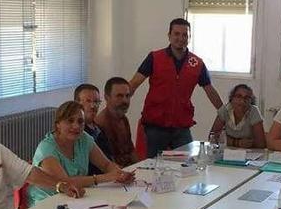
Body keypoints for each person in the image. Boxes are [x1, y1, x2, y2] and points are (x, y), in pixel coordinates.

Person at [129, 18, 224, 158]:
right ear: (169, 35)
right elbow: (134, 83)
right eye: (176, 34)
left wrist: (224, 113)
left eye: (185, 35)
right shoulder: (155, 58)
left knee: (188, 164)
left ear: (189, 37)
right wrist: (120, 102)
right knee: (152, 165)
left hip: (181, 126)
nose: (180, 38)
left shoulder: (196, 63)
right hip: (155, 125)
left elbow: (209, 90)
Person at [28, 101, 134, 206]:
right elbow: (65, 183)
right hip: (47, 202)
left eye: (80, 121)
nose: (76, 126)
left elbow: (106, 164)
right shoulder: (46, 148)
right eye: (70, 121)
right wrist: (106, 177)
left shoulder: (83, 138)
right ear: (58, 124)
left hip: (77, 198)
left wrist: (120, 174)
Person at [96, 77, 139, 167]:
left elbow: (131, 150)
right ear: (107, 97)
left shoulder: (123, 119)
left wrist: (142, 168)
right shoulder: (101, 123)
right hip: (116, 173)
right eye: (119, 96)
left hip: (128, 169)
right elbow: (108, 161)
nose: (125, 100)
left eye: (127, 96)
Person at [209, 84, 265, 148]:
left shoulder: (254, 111)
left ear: (251, 101)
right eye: (238, 96)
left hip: (249, 153)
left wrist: (228, 140)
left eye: (246, 98)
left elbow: (261, 143)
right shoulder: (225, 110)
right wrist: (237, 143)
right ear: (232, 98)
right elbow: (212, 138)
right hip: (228, 152)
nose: (242, 101)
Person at [74, 83, 111, 175]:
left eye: (96, 102)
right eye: (88, 101)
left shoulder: (100, 128)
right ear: (76, 103)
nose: (93, 106)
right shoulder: (75, 133)